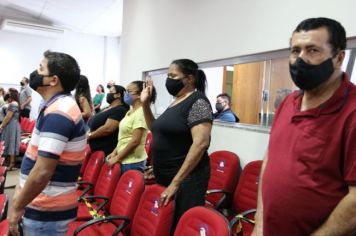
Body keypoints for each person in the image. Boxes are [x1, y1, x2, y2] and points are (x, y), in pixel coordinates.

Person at [252, 18, 356, 236]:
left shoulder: (352, 112)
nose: (300, 60)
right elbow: (270, 160)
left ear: (339, 58)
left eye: (312, 50)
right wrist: (260, 224)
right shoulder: (288, 103)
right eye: (295, 50)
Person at [9, 50, 87, 236]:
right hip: (41, 204)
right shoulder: (55, 107)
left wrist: (17, 206)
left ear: (53, 80)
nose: (35, 73)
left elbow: (43, 171)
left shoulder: (59, 113)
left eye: (40, 68)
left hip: (46, 211)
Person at [141, 59, 213, 234]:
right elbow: (155, 128)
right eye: (168, 75)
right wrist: (145, 104)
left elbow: (201, 143)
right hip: (167, 175)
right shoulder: (175, 102)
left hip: (186, 180)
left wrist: (175, 183)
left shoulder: (198, 102)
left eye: (173, 76)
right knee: (165, 225)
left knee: (181, 227)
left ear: (189, 79)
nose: (169, 80)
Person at [106, 81, 156, 174]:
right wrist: (114, 152)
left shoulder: (141, 112)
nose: (125, 94)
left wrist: (117, 157)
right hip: (123, 158)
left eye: (128, 91)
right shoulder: (130, 111)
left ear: (139, 95)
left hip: (132, 162)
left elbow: (135, 141)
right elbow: (124, 138)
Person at [88, 85, 129, 156]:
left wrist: (90, 135)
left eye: (111, 92)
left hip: (106, 151)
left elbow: (107, 129)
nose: (108, 94)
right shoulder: (108, 107)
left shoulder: (120, 110)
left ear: (118, 95)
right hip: (96, 149)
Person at [0, 89, 21, 170]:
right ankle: (9, 162)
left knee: (11, 142)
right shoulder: (13, 103)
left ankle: (12, 163)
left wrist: (1, 126)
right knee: (8, 142)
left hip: (12, 125)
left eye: (9, 94)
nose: (7, 94)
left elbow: (8, 116)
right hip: (11, 125)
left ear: (12, 95)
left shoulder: (13, 104)